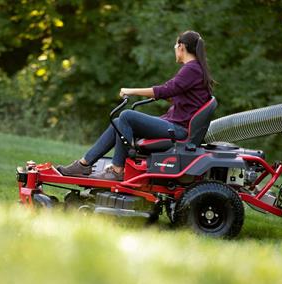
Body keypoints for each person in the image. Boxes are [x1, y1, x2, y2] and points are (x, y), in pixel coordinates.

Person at [57, 30, 214, 180]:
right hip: (175, 125)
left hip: (178, 130)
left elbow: (165, 90)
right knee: (119, 122)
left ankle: (117, 170)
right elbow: (183, 97)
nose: (174, 49)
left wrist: (131, 91)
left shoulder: (191, 69)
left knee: (126, 116)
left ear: (181, 46)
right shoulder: (195, 69)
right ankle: (84, 164)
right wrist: (168, 98)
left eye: (175, 46)